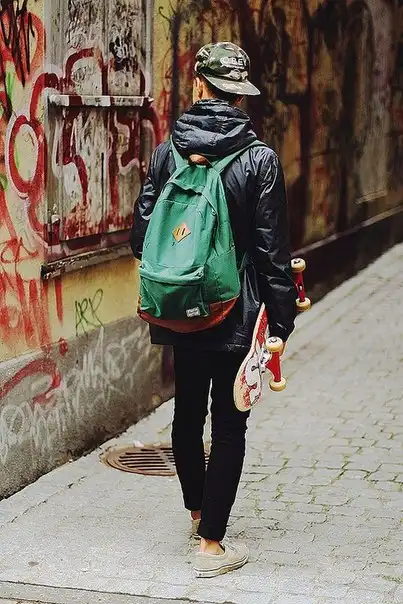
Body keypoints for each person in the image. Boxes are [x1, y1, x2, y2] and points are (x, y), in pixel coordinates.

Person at [130, 41, 297, 578]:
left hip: (180, 305)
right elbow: (272, 253)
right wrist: (283, 320)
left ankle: (198, 513)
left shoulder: (167, 152)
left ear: (199, 86)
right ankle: (211, 546)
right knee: (229, 424)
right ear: (240, 95)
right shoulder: (259, 159)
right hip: (235, 309)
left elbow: (140, 238)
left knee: (186, 414)